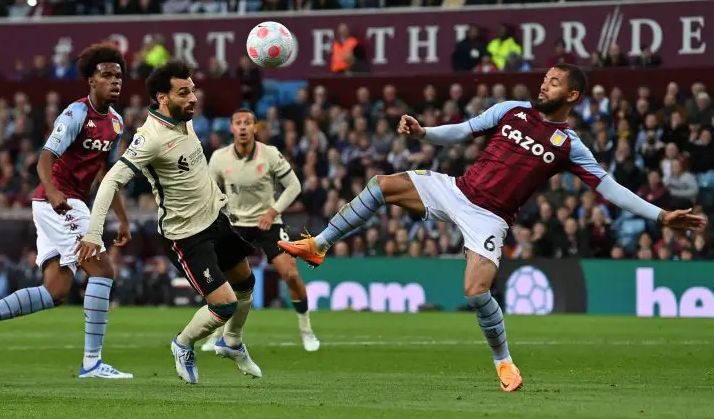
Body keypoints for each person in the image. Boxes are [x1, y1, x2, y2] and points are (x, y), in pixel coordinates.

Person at [278, 64, 708, 392]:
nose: (544, 84)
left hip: (490, 217)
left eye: (555, 82)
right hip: (457, 190)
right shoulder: (511, 110)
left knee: (475, 292)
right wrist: (424, 132)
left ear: (572, 94)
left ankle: (503, 361)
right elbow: (463, 132)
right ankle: (319, 244)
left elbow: (609, 188)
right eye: (545, 78)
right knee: (381, 185)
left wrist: (660, 215)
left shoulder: (569, 145)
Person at [0, 43, 133, 379]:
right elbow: (45, 157)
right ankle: (92, 362)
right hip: (59, 200)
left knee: (55, 291)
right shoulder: (76, 114)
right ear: (91, 80)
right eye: (106, 75)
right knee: (102, 271)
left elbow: (108, 175)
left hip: (65, 202)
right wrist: (52, 190)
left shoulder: (117, 123)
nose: (114, 81)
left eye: (118, 76)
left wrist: (121, 217)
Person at [75, 61, 261, 384]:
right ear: (163, 98)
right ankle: (183, 343)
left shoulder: (183, 120)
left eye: (193, 90)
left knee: (246, 283)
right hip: (186, 235)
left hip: (215, 220)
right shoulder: (150, 139)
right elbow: (109, 182)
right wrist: (94, 233)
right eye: (184, 92)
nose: (193, 99)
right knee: (225, 304)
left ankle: (231, 343)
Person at [206, 109, 320, 352]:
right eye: (238, 123)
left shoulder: (269, 154)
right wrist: (220, 213)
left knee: (290, 274)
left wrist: (272, 211)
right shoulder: (218, 158)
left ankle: (306, 328)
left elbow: (293, 186)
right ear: (232, 128)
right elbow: (210, 192)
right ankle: (215, 333)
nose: (244, 127)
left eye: (248, 123)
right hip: (236, 224)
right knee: (221, 280)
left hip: (268, 224)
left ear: (255, 128)